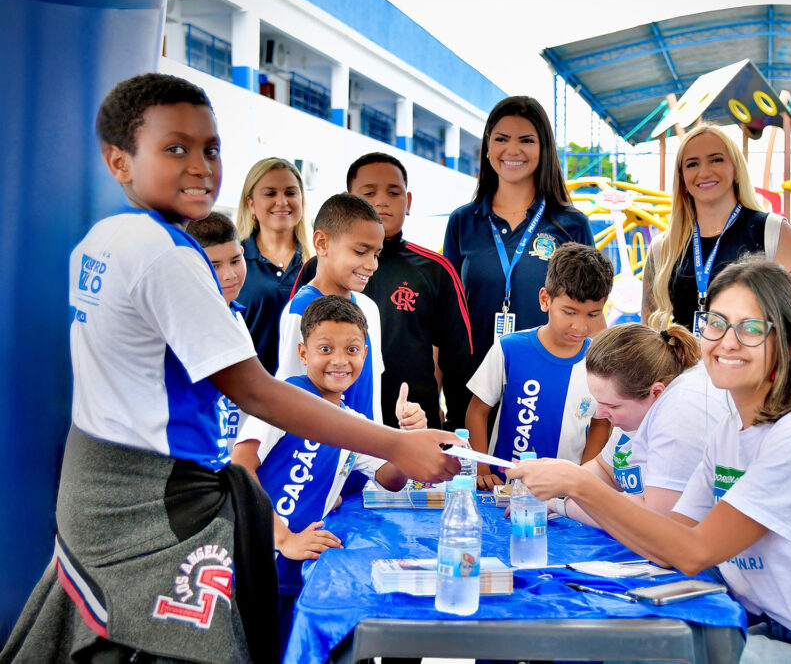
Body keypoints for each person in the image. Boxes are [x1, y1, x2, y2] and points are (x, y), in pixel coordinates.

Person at [0, 73, 458, 664]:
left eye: (210, 148)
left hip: (97, 481)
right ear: (119, 161)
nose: (200, 166)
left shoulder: (104, 237)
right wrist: (399, 444)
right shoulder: (166, 257)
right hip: (152, 496)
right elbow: (259, 393)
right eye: (175, 149)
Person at [508, 256, 791, 664]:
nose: (727, 341)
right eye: (716, 323)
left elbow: (693, 552)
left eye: (750, 328)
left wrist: (575, 486)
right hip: (775, 628)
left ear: (789, 345)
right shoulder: (731, 428)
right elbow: (672, 535)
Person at [232, 295, 424, 652]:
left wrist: (406, 442)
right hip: (254, 564)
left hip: (301, 576)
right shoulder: (282, 397)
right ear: (303, 353)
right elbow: (241, 464)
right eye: (325, 349)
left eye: (352, 350)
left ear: (364, 354)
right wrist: (284, 538)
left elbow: (392, 479)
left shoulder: (354, 424)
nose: (339, 360)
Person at [443, 96, 595, 373]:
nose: (512, 150)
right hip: (469, 382)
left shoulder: (570, 225)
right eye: (501, 139)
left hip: (548, 382)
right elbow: (444, 315)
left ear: (543, 148)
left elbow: (592, 313)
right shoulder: (462, 222)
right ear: (488, 145)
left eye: (526, 140)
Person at [552, 322, 730, 526]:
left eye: (612, 406)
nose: (600, 413)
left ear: (656, 392)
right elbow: (604, 470)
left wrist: (562, 503)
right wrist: (558, 482)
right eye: (598, 401)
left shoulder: (681, 416)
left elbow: (656, 523)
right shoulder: (639, 410)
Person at [466, 243, 613, 489]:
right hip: (502, 489)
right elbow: (477, 410)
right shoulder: (509, 348)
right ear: (545, 300)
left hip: (563, 496)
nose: (580, 326)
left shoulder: (601, 362)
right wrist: (481, 469)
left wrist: (585, 481)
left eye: (592, 314)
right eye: (569, 312)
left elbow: (601, 424)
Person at [348, 152, 475, 430]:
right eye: (369, 192)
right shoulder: (319, 270)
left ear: (408, 202)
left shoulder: (435, 271)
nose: (381, 201)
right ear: (348, 201)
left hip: (414, 431)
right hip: (338, 430)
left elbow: (459, 363)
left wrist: (455, 430)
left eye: (393, 192)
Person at [643, 123, 791, 332]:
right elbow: (647, 332)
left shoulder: (773, 232)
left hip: (749, 362)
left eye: (716, 160)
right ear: (682, 179)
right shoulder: (663, 248)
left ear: (736, 170)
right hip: (682, 364)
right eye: (692, 164)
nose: (704, 172)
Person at [278, 193, 386, 425]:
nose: (372, 265)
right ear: (322, 243)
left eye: (376, 254)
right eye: (360, 252)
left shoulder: (369, 308)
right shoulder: (300, 311)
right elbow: (288, 397)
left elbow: (372, 387)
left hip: (367, 452)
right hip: (319, 453)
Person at [235, 157, 314, 374]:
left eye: (290, 193)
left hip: (305, 396)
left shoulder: (319, 264)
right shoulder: (232, 261)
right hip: (244, 399)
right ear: (250, 204)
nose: (282, 202)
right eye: (270, 194)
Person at [185, 211, 251, 450]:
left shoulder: (234, 313)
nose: (229, 275)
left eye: (235, 261)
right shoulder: (189, 324)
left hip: (226, 455)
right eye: (214, 266)